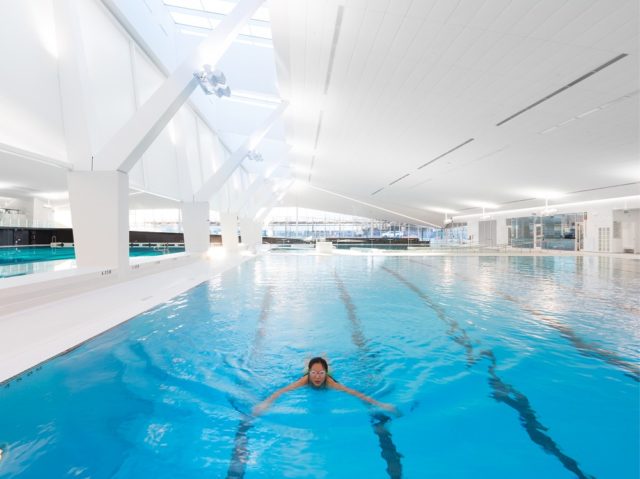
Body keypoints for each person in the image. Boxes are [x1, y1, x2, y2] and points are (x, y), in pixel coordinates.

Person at [252, 357, 397, 416]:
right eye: (314, 373)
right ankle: (311, 360)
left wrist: (381, 404)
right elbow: (282, 391)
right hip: (309, 370)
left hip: (328, 372)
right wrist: (266, 403)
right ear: (310, 373)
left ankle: (324, 359)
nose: (317, 377)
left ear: (325, 373)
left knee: (325, 364)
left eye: (320, 373)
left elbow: (354, 393)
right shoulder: (305, 380)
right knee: (310, 364)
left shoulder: (330, 382)